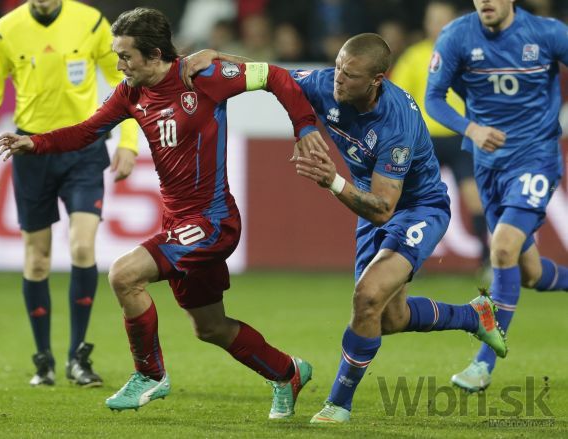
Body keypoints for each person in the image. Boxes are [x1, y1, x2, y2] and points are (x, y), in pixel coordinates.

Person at [0, 7, 331, 419]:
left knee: (123, 274)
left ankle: (149, 374)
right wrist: (35, 143)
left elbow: (275, 76)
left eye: (125, 56)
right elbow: (87, 131)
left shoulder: (201, 77)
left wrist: (305, 126)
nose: (118, 65)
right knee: (210, 328)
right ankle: (288, 371)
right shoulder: (130, 93)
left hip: (212, 221)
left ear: (154, 54)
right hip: (178, 223)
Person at [181, 33, 507, 424]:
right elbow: (271, 76)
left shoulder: (394, 123)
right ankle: (475, 316)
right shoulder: (326, 84)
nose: (338, 80)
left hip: (418, 208)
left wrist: (332, 180)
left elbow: (386, 209)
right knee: (390, 318)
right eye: (337, 68)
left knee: (367, 297)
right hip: (369, 202)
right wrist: (217, 57)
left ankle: (339, 402)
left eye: (349, 75)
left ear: (377, 80)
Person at [0, 0, 139, 387]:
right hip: (31, 151)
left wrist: (128, 141)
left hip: (82, 148)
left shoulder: (91, 21)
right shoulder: (6, 30)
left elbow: (125, 78)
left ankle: (78, 356)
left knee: (82, 247)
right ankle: (43, 360)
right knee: (38, 260)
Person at [426, 0, 568, 392]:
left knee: (502, 248)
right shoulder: (456, 36)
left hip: (536, 158)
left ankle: (483, 364)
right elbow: (433, 97)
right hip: (488, 165)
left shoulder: (548, 33)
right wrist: (470, 128)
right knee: (532, 274)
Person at [390, 0, 490, 269]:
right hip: (424, 141)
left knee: (473, 195)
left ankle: (487, 260)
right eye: (434, 19)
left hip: (459, 137)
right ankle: (405, 261)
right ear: (426, 23)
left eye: (444, 19)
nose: (439, 24)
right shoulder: (414, 56)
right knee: (409, 200)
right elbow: (397, 97)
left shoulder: (467, 52)